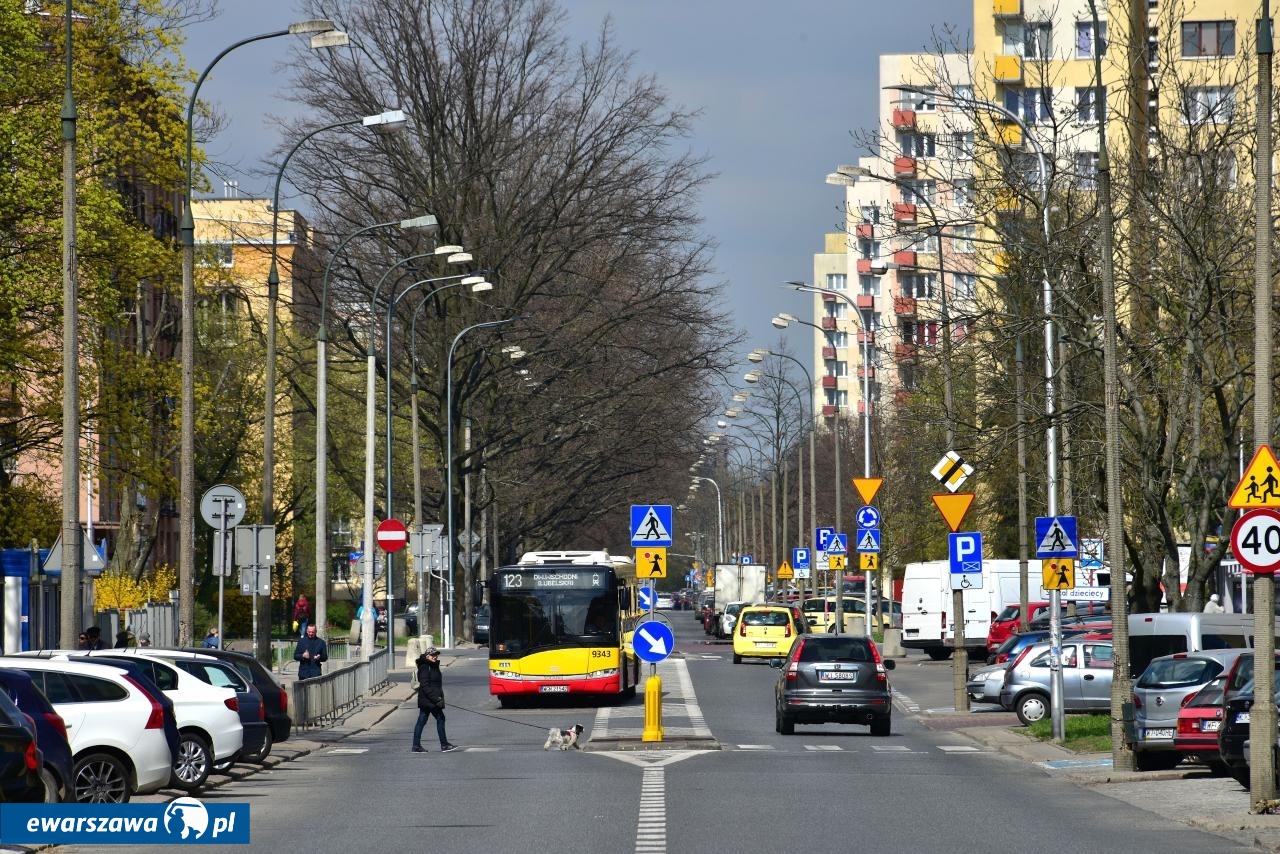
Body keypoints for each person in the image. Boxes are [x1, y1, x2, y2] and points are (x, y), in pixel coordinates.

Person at [412, 647, 457, 753]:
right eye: (433, 655)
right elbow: (425, 685)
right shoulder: (425, 667)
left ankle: (416, 746)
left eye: (436, 655)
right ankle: (444, 745)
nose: (435, 657)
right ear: (427, 656)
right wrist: (436, 699)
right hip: (429, 700)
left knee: (421, 721)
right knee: (440, 718)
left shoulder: (433, 666)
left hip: (428, 699)